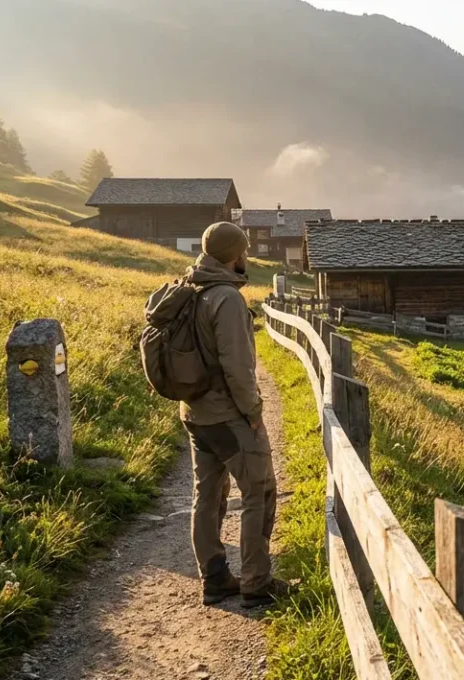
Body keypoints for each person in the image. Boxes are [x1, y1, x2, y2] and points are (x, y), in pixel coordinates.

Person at [179, 222, 290, 608]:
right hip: (228, 415)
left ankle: (214, 579)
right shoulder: (225, 297)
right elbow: (237, 367)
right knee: (259, 491)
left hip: (195, 413)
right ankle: (257, 584)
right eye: (243, 250)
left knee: (207, 495)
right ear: (234, 255)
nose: (246, 256)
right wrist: (254, 412)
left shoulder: (190, 287)